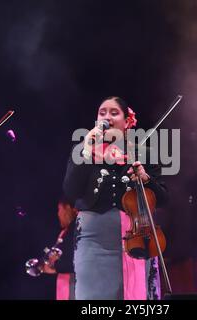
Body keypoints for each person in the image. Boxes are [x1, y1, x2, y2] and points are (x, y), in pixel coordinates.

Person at [63, 96, 168, 300]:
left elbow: (163, 199)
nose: (107, 117)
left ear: (127, 121)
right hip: (91, 241)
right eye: (102, 113)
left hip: (134, 238)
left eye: (114, 113)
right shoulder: (82, 151)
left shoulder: (142, 153)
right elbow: (71, 191)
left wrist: (145, 178)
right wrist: (86, 151)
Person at [41, 199, 78, 300]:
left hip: (75, 289)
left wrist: (55, 266)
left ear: (68, 208)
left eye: (59, 209)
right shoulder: (65, 232)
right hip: (65, 290)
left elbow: (75, 261)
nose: (58, 214)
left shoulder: (77, 229)